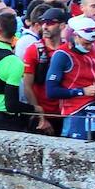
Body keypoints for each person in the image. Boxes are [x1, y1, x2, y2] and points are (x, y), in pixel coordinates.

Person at [45, 15, 95, 140]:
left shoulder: (93, 49)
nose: (89, 47)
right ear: (74, 37)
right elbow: (51, 91)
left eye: (92, 43)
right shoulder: (62, 55)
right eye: (86, 44)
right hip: (75, 113)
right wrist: (82, 91)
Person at [23, 8, 66, 136]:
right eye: (43, 23)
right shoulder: (34, 50)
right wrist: (39, 115)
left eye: (51, 23)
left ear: (62, 26)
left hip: (64, 112)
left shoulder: (69, 49)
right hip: (42, 112)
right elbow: (27, 86)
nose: (45, 27)